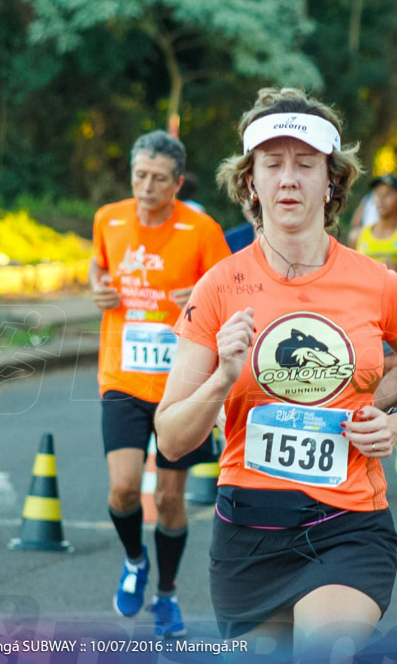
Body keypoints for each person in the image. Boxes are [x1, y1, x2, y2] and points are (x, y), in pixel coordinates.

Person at [154, 87, 397, 659]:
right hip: (248, 531)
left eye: (305, 164)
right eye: (273, 164)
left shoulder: (380, 284)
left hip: (347, 523)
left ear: (332, 181)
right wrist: (221, 379)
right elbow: (171, 439)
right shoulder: (217, 287)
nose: (289, 179)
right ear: (250, 183)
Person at [90, 130, 229, 637]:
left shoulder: (201, 228)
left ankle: (166, 594)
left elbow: (228, 295)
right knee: (125, 487)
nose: (146, 186)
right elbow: (99, 263)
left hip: (182, 385)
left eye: (157, 179)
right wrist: (96, 286)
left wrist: (203, 297)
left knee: (170, 501)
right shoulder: (109, 217)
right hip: (122, 376)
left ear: (178, 182)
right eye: (139, 176)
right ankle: (134, 562)